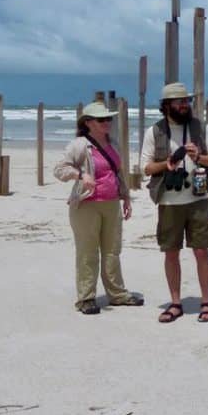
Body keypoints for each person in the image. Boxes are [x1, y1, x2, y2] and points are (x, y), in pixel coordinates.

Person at [141, 82, 208, 323]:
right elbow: (145, 167)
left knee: (201, 250)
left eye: (186, 101)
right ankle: (175, 303)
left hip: (199, 198)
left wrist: (199, 157)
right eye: (179, 102)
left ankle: (206, 301)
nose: (184, 105)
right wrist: (166, 165)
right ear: (166, 106)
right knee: (171, 252)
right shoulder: (154, 132)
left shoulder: (201, 128)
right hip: (169, 200)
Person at [53, 101, 143, 314]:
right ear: (89, 123)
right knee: (88, 252)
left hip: (111, 204)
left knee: (113, 251)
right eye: (101, 119)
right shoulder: (79, 145)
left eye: (108, 118)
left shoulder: (112, 143)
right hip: (86, 205)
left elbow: (118, 173)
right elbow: (59, 169)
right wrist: (80, 174)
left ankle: (117, 294)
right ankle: (86, 298)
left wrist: (126, 197)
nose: (107, 123)